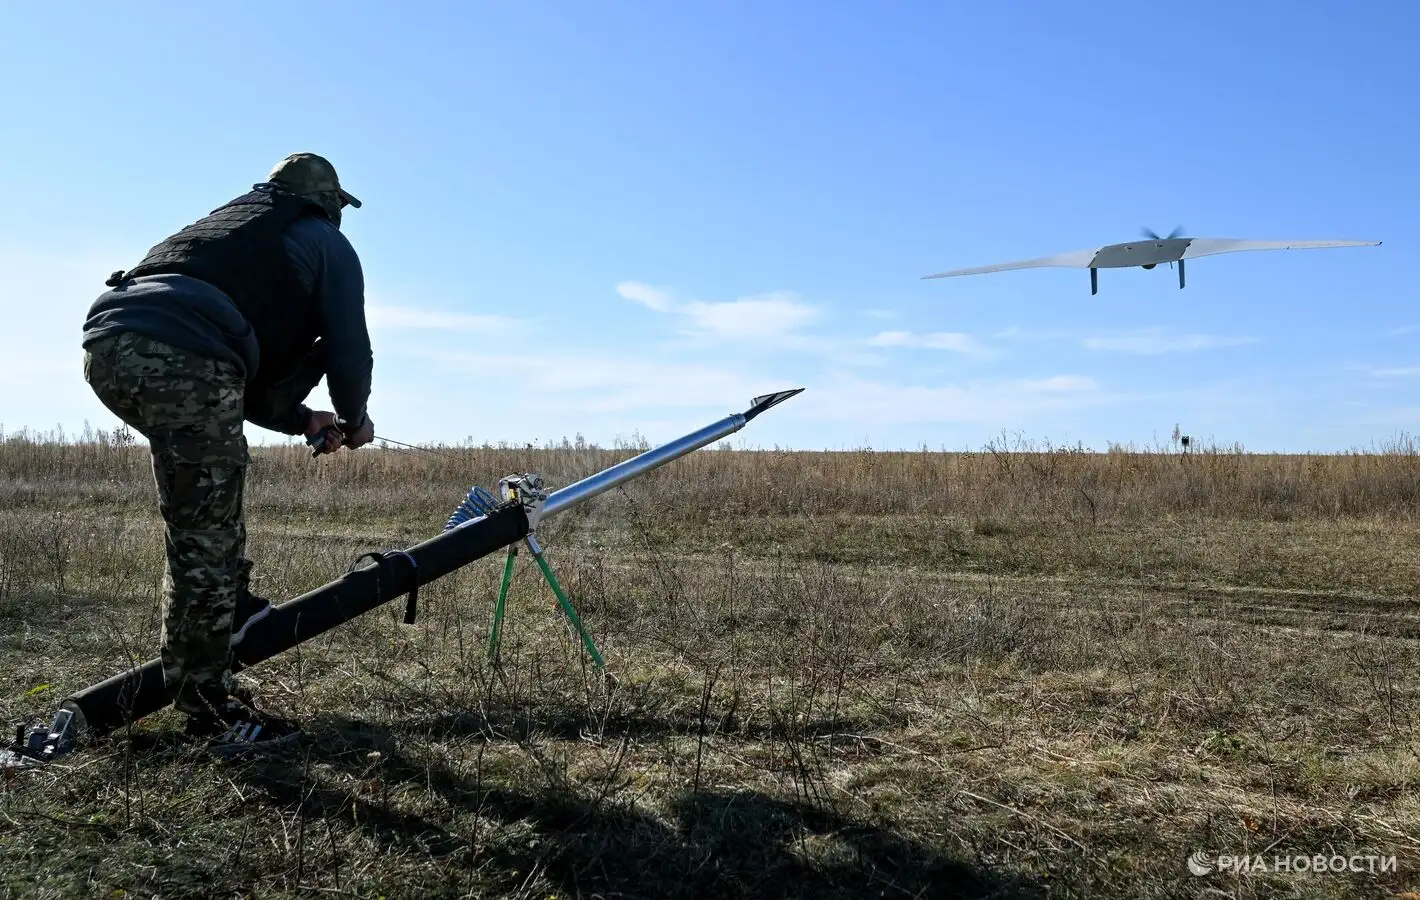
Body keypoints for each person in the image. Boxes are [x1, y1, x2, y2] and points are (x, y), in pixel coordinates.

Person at [80, 152, 376, 752]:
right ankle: (208, 709)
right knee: (204, 537)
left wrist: (302, 419)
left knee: (201, 517)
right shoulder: (324, 241)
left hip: (108, 346)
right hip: (181, 355)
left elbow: (232, 378)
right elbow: (349, 351)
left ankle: (227, 606)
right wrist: (353, 417)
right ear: (328, 202)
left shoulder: (229, 228)